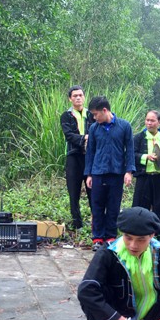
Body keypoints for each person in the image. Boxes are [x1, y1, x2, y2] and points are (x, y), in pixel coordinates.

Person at [84, 96, 135, 251]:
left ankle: (111, 237)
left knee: (113, 206)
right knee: (97, 206)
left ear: (104, 110)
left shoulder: (124, 126)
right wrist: (89, 174)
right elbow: (90, 152)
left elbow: (130, 150)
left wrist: (129, 171)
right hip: (98, 172)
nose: (94, 117)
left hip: (116, 172)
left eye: (96, 114)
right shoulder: (94, 128)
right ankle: (98, 238)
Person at [60, 86, 94, 230]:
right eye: (75, 96)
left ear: (84, 97)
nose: (78, 98)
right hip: (74, 157)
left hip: (90, 157)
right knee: (73, 192)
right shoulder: (66, 116)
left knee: (93, 190)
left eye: (80, 95)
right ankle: (77, 223)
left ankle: (95, 221)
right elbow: (69, 135)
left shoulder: (91, 114)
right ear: (70, 99)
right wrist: (84, 138)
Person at [132, 110, 160, 236]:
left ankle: (159, 233)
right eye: (147, 120)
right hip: (144, 177)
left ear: (159, 122)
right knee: (140, 205)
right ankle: (138, 231)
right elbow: (132, 154)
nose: (149, 123)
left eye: (152, 121)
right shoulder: (139, 137)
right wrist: (145, 157)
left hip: (159, 177)